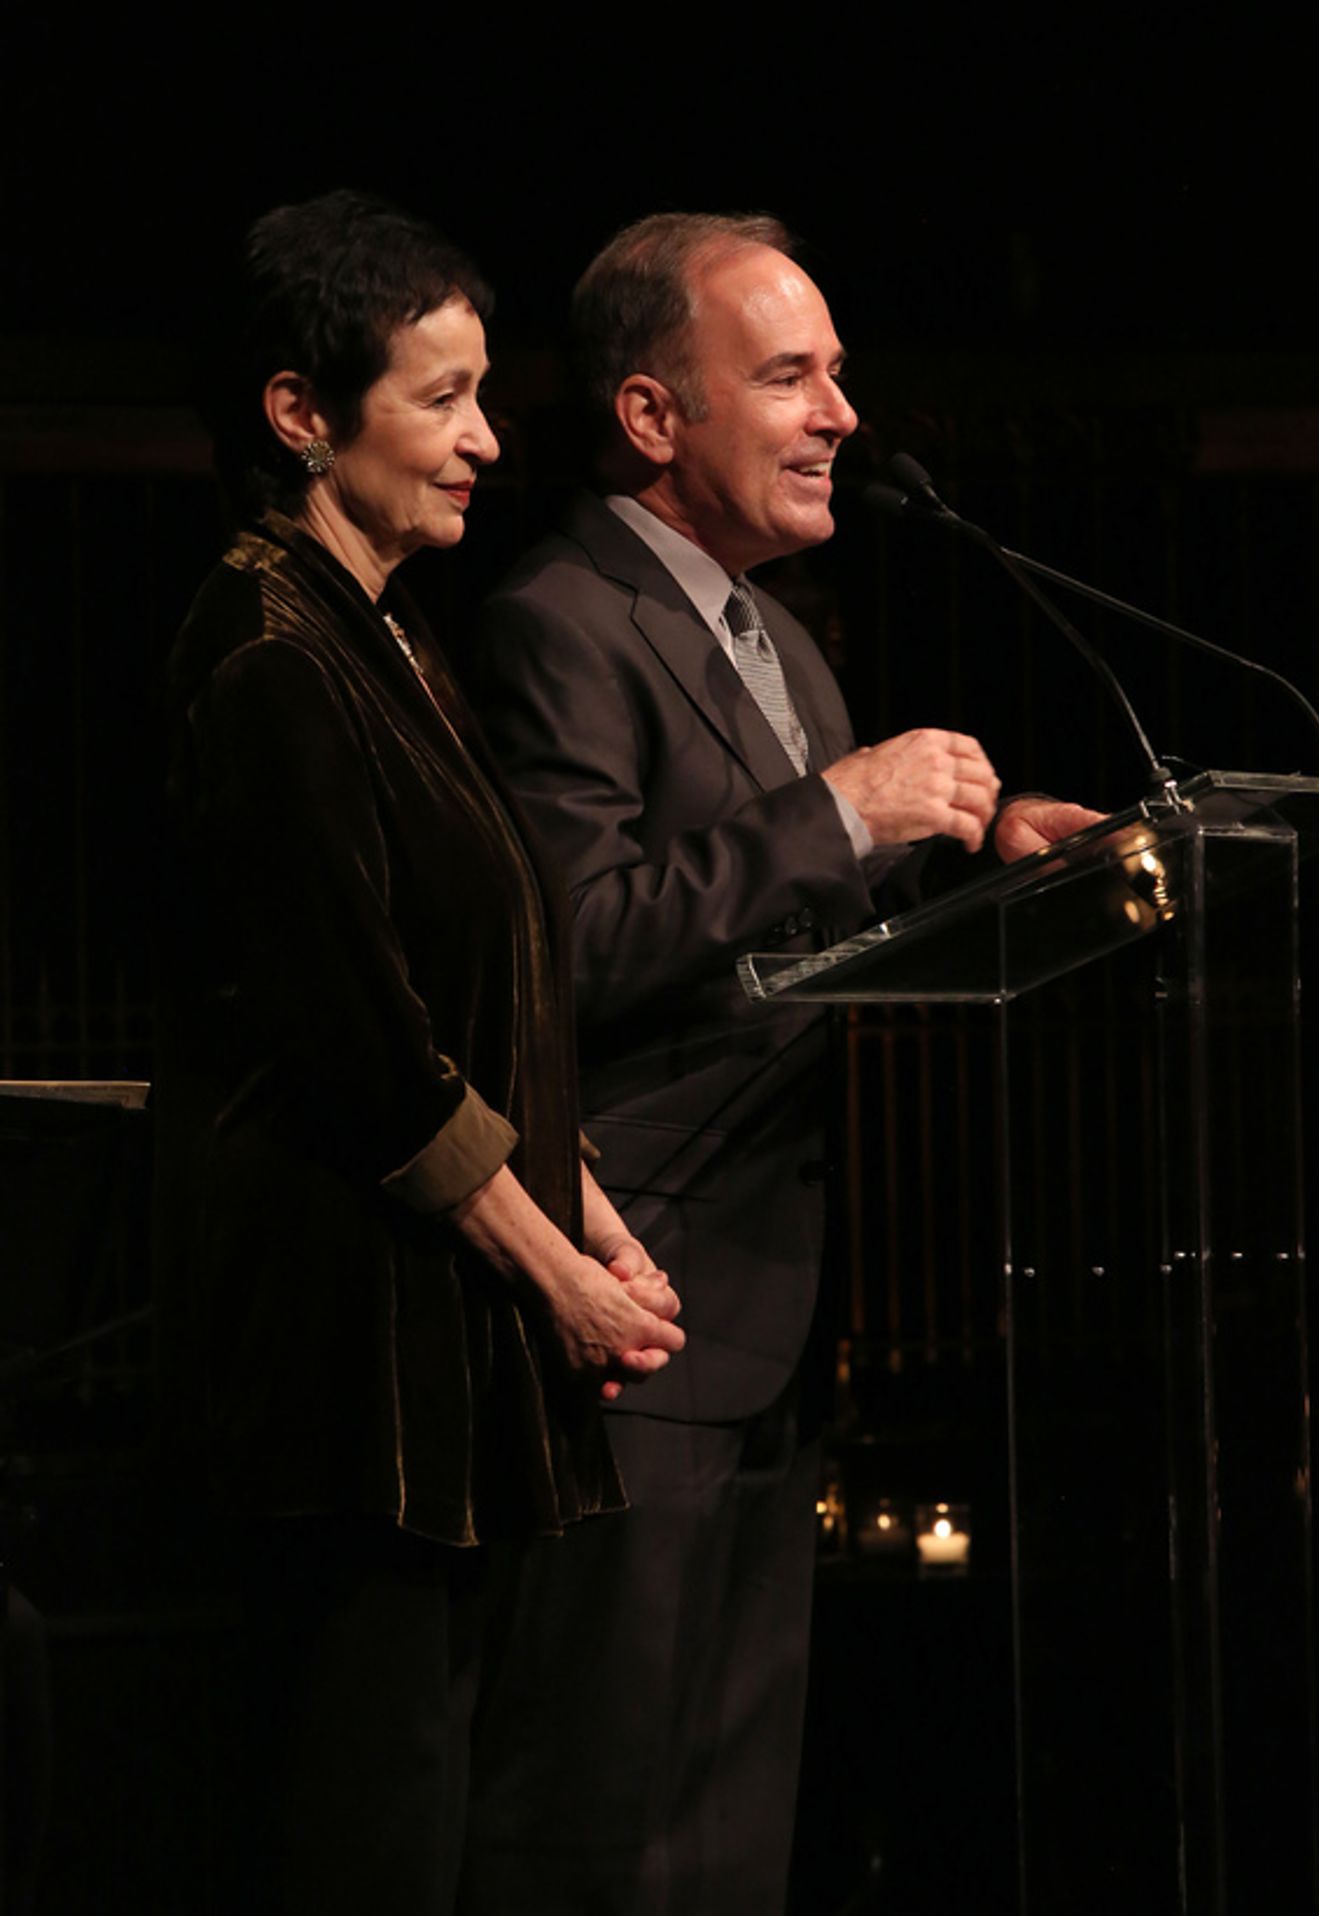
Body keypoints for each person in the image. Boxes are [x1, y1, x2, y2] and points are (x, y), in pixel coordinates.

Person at [464, 213, 1095, 1912]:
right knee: (602, 1826)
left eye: (837, 374)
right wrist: (839, 809)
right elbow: (572, 948)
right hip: (632, 1294)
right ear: (656, 416)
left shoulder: (780, 640)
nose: (842, 416)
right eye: (791, 375)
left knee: (731, 1837)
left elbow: (788, 901)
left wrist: (984, 844)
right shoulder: (560, 623)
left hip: (774, 1303)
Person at [156, 189, 683, 1916]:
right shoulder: (266, 656)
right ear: (302, 416)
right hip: (345, 1373)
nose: (485, 438)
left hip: (435, 1361)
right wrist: (567, 1284)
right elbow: (371, 1055)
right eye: (438, 399)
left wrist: (587, 1207)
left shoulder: (386, 632)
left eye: (481, 394)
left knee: (438, 1810)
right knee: (363, 1825)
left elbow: (486, 993)